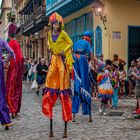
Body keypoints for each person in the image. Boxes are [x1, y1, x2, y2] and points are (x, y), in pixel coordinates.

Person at [42, 12, 73, 138]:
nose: (55, 26)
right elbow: (49, 43)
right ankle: (49, 96)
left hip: (61, 61)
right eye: (54, 24)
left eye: (57, 24)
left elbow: (70, 43)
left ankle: (65, 129)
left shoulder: (63, 34)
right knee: (49, 83)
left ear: (60, 25)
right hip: (53, 61)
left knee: (63, 87)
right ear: (52, 25)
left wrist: (63, 51)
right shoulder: (49, 34)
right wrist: (50, 48)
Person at [72, 31, 93, 122]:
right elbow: (91, 55)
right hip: (83, 63)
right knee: (86, 86)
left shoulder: (76, 43)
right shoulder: (88, 43)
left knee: (77, 87)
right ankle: (89, 115)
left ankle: (73, 115)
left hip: (76, 64)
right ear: (89, 38)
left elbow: (72, 53)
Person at [6, 23, 24, 119]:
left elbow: (9, 56)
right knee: (16, 88)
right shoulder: (15, 42)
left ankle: (12, 109)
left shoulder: (10, 43)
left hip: (13, 67)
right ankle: (14, 110)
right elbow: (19, 56)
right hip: (17, 67)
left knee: (11, 88)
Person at [0, 37, 15, 130]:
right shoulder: (1, 41)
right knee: (1, 94)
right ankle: (5, 120)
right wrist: (4, 61)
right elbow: (12, 53)